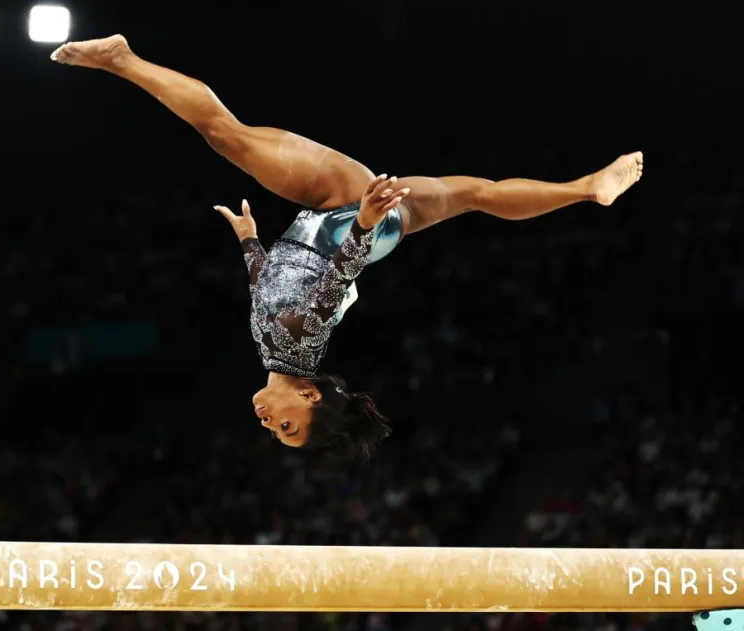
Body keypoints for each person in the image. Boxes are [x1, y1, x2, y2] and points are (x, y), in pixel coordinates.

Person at [50, 35, 644, 460]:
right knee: (225, 135)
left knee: (476, 194)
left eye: (277, 432)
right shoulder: (299, 346)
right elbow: (334, 279)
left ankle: (586, 188)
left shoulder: (278, 351)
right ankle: (123, 60)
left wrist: (252, 244)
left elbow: (268, 293)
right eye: (288, 424)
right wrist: (360, 221)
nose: (268, 423)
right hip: (343, 219)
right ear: (309, 396)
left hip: (366, 228)